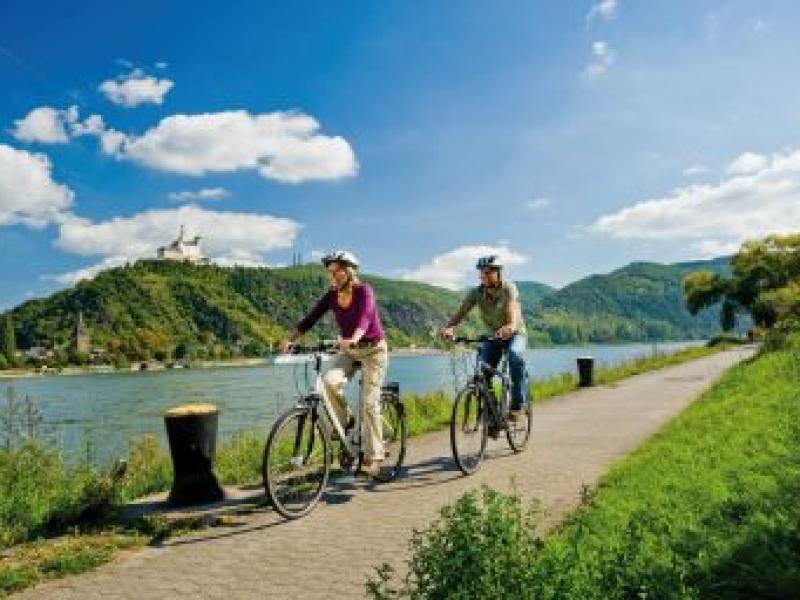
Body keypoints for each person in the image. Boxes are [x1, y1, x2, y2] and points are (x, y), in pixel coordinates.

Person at [279, 250, 388, 475]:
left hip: (373, 350)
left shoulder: (364, 291)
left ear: (349, 271)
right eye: (331, 271)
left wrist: (355, 337)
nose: (334, 275)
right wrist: (289, 339)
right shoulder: (331, 296)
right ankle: (346, 421)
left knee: (369, 403)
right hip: (349, 351)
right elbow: (309, 319)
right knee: (327, 383)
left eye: (338, 270)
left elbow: (366, 318)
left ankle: (373, 455)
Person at [439, 255, 529, 422]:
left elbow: (512, 309)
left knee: (515, 355)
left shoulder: (509, 288)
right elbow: (461, 312)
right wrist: (450, 327)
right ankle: (493, 414)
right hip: (494, 336)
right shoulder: (476, 293)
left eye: (488, 272)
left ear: (498, 273)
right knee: (484, 374)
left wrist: (510, 326)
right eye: (482, 272)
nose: (484, 276)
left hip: (515, 333)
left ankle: (518, 404)